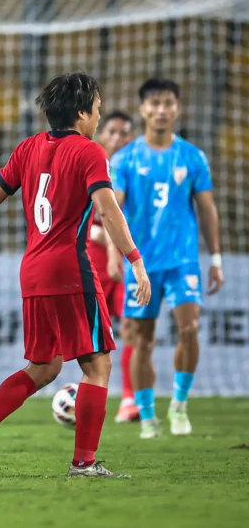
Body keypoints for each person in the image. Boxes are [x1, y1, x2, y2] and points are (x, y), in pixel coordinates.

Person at [0, 71, 151, 479]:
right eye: (96, 108)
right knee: (97, 365)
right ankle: (84, 463)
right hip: (69, 267)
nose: (97, 115)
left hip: (33, 269)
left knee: (44, 366)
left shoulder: (28, 148)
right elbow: (108, 210)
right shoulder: (90, 152)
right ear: (81, 112)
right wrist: (134, 260)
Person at [107, 78, 223, 439]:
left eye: (168, 103)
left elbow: (207, 210)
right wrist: (115, 254)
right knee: (142, 340)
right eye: (154, 103)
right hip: (140, 265)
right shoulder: (125, 158)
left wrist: (215, 257)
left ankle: (179, 404)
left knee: (189, 328)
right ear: (142, 109)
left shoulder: (192, 156)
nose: (161, 110)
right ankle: (146, 414)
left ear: (177, 108)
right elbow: (113, 210)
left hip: (182, 260)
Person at [84, 110, 137, 422]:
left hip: (126, 265)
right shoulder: (92, 164)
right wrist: (101, 236)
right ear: (103, 135)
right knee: (89, 336)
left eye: (125, 133)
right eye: (113, 132)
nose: (118, 138)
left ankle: (129, 399)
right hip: (95, 263)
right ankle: (82, 392)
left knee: (132, 330)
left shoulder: (134, 169)